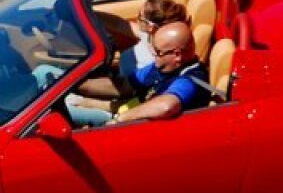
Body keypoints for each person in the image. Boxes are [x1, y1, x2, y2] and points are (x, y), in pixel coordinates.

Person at [71, 21, 211, 124]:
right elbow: (125, 85)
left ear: (177, 55)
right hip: (129, 115)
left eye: (157, 52)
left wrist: (119, 120)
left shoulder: (189, 80)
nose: (153, 55)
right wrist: (76, 83)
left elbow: (166, 106)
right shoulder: (160, 66)